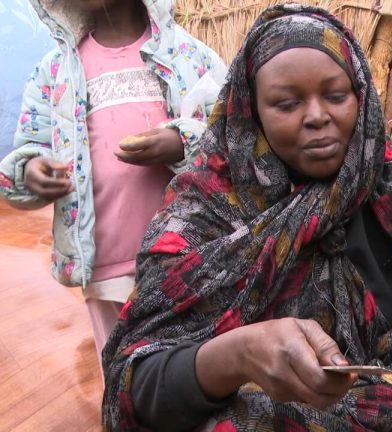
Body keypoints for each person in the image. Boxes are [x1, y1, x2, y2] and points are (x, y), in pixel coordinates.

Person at [102, 4, 392, 432]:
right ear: (250, 111)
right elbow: (137, 383)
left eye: (336, 95)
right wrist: (237, 355)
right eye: (287, 103)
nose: (317, 116)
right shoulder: (202, 208)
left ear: (359, 95)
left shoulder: (383, 173)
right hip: (278, 405)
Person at [0, 0, 224, 365]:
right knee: (123, 371)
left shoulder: (187, 56)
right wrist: (32, 170)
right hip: (105, 263)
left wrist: (179, 142)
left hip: (184, 254)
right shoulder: (55, 72)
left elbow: (226, 132)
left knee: (188, 365)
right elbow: (32, 145)